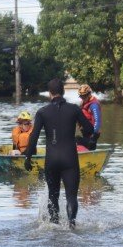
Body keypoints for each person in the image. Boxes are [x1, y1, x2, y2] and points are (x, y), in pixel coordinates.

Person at [25, 78, 94, 228]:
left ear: (50, 93)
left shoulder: (42, 112)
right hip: (70, 159)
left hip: (52, 160)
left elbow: (34, 137)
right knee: (71, 197)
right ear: (63, 91)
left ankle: (54, 226)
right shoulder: (74, 109)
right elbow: (90, 129)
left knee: (53, 195)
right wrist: (82, 140)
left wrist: (28, 158)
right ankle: (71, 226)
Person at [76, 84, 101, 151]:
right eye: (81, 96)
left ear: (89, 94)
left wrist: (94, 136)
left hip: (91, 135)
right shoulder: (83, 103)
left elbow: (97, 120)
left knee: (76, 140)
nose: (83, 98)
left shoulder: (94, 105)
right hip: (85, 133)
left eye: (84, 96)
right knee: (76, 139)